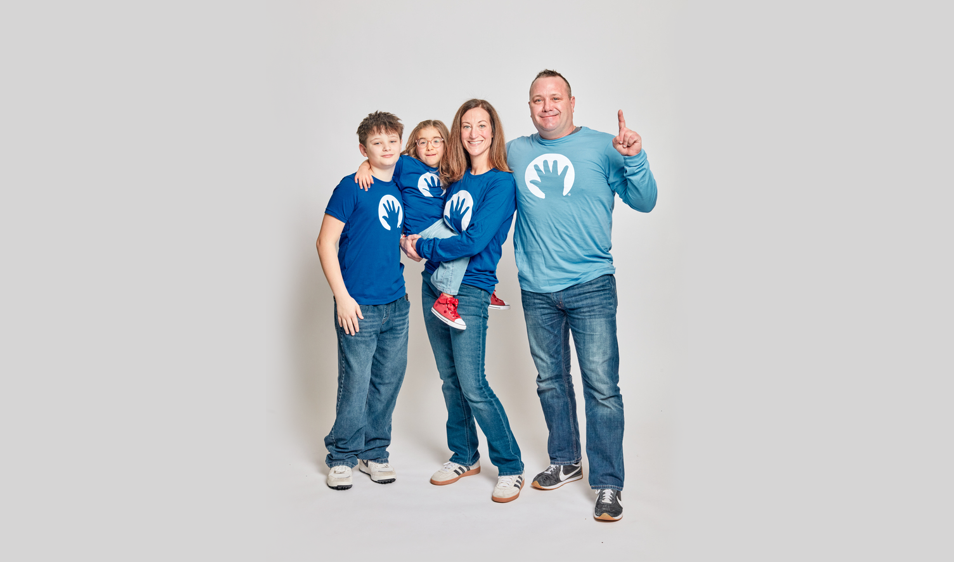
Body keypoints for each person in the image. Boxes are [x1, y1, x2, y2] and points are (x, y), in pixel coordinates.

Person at [506, 70, 658, 521]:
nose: (546, 106)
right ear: (529, 106)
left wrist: (636, 156)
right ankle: (566, 459)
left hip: (591, 284)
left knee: (602, 389)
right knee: (550, 381)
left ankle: (608, 484)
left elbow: (645, 201)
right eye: (538, 99)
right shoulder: (515, 151)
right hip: (536, 288)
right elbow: (468, 168)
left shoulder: (602, 146)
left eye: (555, 97)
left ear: (572, 101)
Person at [402, 99, 525, 503]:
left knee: (473, 382)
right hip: (433, 284)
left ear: (494, 131)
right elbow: (405, 177)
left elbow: (474, 240)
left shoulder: (501, 182)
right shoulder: (452, 178)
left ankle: (510, 465)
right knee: (450, 379)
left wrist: (424, 245)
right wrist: (368, 168)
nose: (474, 133)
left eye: (481, 125)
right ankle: (464, 456)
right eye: (466, 126)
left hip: (471, 288)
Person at [315, 111, 410, 491]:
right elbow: (325, 243)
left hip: (396, 303)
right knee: (355, 382)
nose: (386, 149)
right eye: (376, 143)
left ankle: (374, 452)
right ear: (363, 148)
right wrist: (341, 297)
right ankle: (341, 455)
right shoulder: (351, 186)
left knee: (387, 381)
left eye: (392, 142)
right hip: (358, 305)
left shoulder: (401, 181)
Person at [354, 120, 511, 331]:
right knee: (460, 246)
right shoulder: (406, 164)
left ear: (447, 144)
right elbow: (382, 162)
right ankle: (445, 297)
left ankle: (484, 289)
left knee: (472, 237)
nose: (430, 147)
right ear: (413, 145)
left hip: (442, 223)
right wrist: (363, 167)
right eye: (423, 142)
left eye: (437, 141)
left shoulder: (451, 167)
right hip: (423, 227)